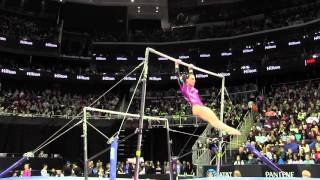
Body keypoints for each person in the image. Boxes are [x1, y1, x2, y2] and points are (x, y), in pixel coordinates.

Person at [175, 60, 241, 136]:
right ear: (186, 81)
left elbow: (191, 77)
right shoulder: (184, 88)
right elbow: (177, 76)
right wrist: (176, 65)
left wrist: (190, 69)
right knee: (213, 120)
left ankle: (229, 130)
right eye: (193, 79)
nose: (195, 80)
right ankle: (230, 130)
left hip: (199, 107)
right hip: (196, 107)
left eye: (195, 79)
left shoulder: (191, 86)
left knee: (215, 120)